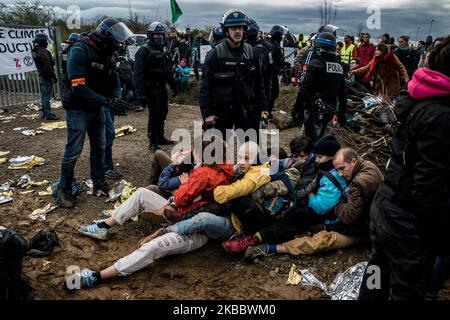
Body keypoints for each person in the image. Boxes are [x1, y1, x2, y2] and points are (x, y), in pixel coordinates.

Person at [358, 36, 450, 300]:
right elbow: (428, 188)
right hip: (407, 219)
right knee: (407, 289)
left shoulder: (412, 97)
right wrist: (440, 234)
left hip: (386, 203)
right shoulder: (441, 117)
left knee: (377, 270)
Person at [78, 136, 234, 240]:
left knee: (142, 193)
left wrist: (184, 180)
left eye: (196, 151)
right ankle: (108, 221)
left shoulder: (203, 173)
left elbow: (178, 197)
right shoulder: (225, 167)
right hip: (196, 210)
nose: (193, 153)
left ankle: (104, 226)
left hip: (185, 214)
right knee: (149, 189)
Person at [222, 135, 347, 254]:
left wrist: (309, 194)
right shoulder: (315, 168)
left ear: (332, 157)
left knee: (296, 216)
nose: (317, 161)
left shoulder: (331, 176)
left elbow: (319, 207)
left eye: (320, 157)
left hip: (324, 216)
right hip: (303, 201)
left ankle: (255, 240)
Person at [59, 18, 132, 208]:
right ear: (105, 36)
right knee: (73, 150)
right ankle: (64, 188)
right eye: (115, 41)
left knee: (100, 146)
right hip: (77, 108)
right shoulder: (79, 50)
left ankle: (99, 182)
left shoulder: (107, 52)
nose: (117, 45)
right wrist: (107, 101)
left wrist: (118, 99)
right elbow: (78, 87)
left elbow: (114, 79)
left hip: (97, 107)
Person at [199, 9, 268, 139]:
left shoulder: (252, 53)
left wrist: (264, 107)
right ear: (226, 31)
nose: (237, 31)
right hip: (222, 111)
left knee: (251, 150)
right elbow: (205, 86)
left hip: (247, 110)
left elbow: (259, 83)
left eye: (240, 28)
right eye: (233, 28)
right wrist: (207, 113)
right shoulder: (215, 54)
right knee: (217, 152)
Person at [291, 32, 347, 143]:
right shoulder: (339, 66)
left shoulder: (316, 64)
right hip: (331, 111)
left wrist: (297, 108)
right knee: (323, 141)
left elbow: (304, 89)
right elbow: (342, 93)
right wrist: (342, 113)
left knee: (308, 142)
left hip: (314, 110)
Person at [134, 22, 177, 151]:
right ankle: (152, 141)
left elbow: (167, 71)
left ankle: (160, 137)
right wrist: (140, 94)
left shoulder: (162, 51)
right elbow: (137, 74)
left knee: (163, 113)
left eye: (161, 34)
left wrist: (173, 86)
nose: (160, 37)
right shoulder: (143, 51)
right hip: (150, 89)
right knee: (154, 115)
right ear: (150, 35)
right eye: (157, 34)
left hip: (162, 88)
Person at [31, 33, 58, 120]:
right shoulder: (42, 51)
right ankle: (48, 114)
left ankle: (45, 112)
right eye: (46, 41)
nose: (47, 42)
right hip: (46, 76)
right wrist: (53, 76)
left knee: (44, 95)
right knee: (47, 96)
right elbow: (47, 65)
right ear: (42, 41)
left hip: (41, 75)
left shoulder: (35, 50)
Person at [267, 25, 285, 117]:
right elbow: (270, 61)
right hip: (271, 73)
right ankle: (267, 112)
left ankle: (268, 110)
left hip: (272, 72)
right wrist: (278, 69)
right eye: (281, 35)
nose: (282, 37)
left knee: (273, 93)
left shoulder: (273, 44)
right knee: (273, 92)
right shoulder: (272, 45)